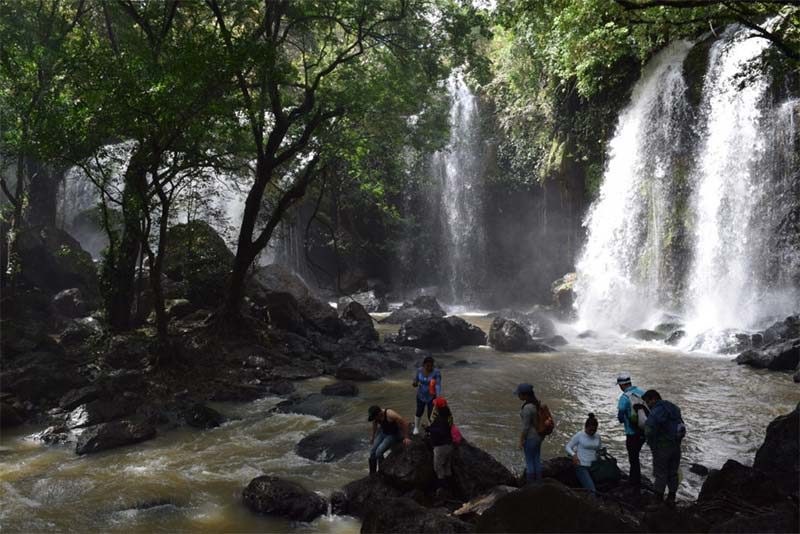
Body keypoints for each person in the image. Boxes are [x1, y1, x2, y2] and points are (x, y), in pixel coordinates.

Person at [642, 389, 685, 507]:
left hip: (662, 447)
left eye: (648, 402)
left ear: (653, 399)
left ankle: (657, 501)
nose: (648, 405)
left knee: (660, 473)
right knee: (673, 473)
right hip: (676, 446)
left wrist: (649, 440)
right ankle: (671, 498)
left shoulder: (656, 411)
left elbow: (649, 429)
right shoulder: (673, 407)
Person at [616, 372, 647, 488]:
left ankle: (634, 482)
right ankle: (635, 479)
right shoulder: (642, 392)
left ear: (622, 385)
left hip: (632, 432)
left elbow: (620, 417)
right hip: (644, 430)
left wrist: (624, 419)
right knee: (636, 455)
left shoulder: (624, 397)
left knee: (633, 458)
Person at [368, 405, 412, 475]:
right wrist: (373, 437)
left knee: (378, 452)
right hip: (383, 432)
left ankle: (381, 472)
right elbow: (375, 424)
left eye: (375, 417)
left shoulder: (390, 414)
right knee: (372, 452)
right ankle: (372, 474)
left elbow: (404, 423)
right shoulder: (376, 416)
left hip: (393, 434)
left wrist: (406, 437)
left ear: (379, 414)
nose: (374, 419)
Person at [565, 413, 602, 496]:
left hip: (593, 466)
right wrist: (573, 455)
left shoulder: (597, 436)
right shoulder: (580, 435)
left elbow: (599, 448)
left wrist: (599, 454)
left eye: (594, 430)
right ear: (586, 427)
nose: (592, 432)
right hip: (581, 465)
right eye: (590, 430)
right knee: (592, 491)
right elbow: (568, 446)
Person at [426, 397, 455, 494]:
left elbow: (441, 431)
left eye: (435, 405)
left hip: (441, 446)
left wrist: (429, 429)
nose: (434, 406)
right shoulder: (448, 415)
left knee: (438, 467)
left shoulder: (440, 418)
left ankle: (442, 489)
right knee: (446, 467)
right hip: (449, 444)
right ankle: (451, 487)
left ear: (438, 407)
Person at [515, 383, 544, 483]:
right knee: (536, 460)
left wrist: (521, 440)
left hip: (531, 438)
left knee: (529, 462)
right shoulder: (536, 404)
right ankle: (539, 483)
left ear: (525, 395)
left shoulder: (527, 408)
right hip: (538, 437)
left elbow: (526, 427)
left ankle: (531, 486)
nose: (518, 396)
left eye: (519, 394)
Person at [412, 356, 442, 435]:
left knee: (431, 414)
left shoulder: (436, 372)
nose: (429, 367)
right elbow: (415, 380)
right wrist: (414, 383)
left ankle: (430, 429)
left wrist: (438, 397)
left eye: (431, 366)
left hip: (431, 396)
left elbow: (438, 385)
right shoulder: (419, 370)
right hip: (420, 395)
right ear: (424, 365)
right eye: (427, 366)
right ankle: (416, 427)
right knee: (419, 411)